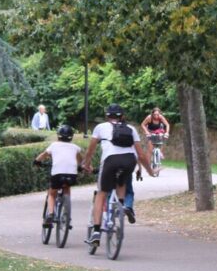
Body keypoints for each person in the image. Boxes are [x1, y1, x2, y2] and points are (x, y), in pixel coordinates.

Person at [82, 103, 155, 246]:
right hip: (129, 161)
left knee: (101, 194)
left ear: (107, 115)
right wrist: (150, 171)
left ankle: (96, 231)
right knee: (121, 182)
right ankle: (120, 208)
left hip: (110, 161)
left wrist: (87, 164)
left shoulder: (100, 127)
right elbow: (140, 154)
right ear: (122, 116)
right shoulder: (131, 129)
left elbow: (90, 150)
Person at [33, 125, 82, 227]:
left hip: (57, 174)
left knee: (52, 194)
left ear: (58, 136)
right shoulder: (75, 147)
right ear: (71, 137)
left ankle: (51, 214)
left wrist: (36, 161)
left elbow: (43, 155)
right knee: (67, 189)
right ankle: (67, 215)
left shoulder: (54, 145)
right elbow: (80, 160)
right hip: (72, 174)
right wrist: (80, 167)